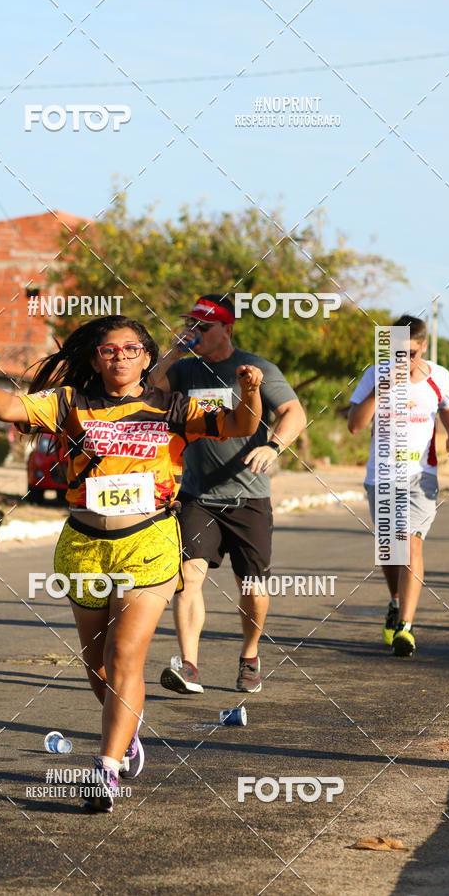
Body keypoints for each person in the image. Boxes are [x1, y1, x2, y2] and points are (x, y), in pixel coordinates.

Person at [0, 315, 263, 812]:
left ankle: (106, 769)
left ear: (146, 356)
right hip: (84, 544)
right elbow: (8, 406)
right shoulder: (70, 401)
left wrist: (249, 391)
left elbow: (242, 424)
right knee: (95, 664)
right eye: (110, 351)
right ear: (96, 358)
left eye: (131, 349)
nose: (120, 358)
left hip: (149, 541)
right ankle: (127, 731)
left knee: (124, 658)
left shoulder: (174, 406)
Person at [149, 295, 306, 694]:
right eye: (191, 326)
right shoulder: (184, 370)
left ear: (227, 329)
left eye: (204, 327)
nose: (194, 333)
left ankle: (250, 655)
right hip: (197, 494)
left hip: (248, 495)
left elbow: (294, 413)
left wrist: (273, 446)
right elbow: (147, 391)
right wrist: (170, 352)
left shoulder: (255, 368)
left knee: (252, 588)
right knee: (188, 576)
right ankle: (188, 666)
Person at [348, 314, 449, 657]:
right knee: (390, 549)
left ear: (423, 346)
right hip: (380, 476)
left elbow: (448, 408)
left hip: (420, 476)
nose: (404, 361)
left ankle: (406, 628)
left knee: (411, 544)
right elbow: (355, 424)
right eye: (398, 353)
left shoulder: (439, 376)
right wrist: (384, 387)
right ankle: (396, 603)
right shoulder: (375, 374)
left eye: (411, 354)